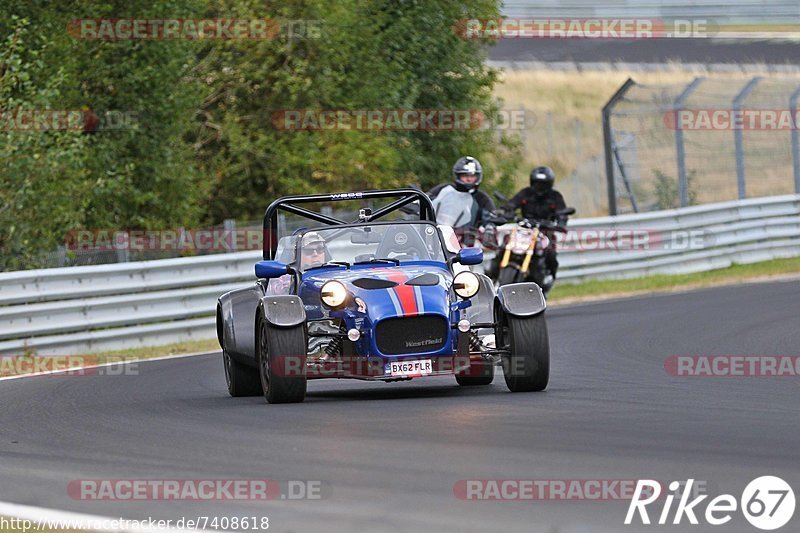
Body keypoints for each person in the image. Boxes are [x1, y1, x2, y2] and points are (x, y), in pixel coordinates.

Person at [505, 166, 569, 278]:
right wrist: (507, 211)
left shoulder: (555, 196)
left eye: (543, 184)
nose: (540, 187)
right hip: (524, 230)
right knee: (505, 243)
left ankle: (549, 277)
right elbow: (512, 203)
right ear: (532, 182)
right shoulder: (526, 193)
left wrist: (561, 223)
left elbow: (562, 212)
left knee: (551, 254)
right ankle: (493, 272)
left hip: (545, 232)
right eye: (537, 184)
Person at [428, 156, 497, 246]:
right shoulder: (444, 189)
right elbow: (426, 199)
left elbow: (490, 218)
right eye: (465, 175)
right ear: (458, 176)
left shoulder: (482, 198)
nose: (469, 179)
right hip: (436, 236)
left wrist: (489, 227)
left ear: (478, 176)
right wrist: (415, 202)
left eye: (472, 176)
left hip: (466, 245)